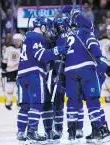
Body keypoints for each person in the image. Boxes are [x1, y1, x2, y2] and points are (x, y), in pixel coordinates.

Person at [62, 6, 110, 144]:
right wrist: (101, 60)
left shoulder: (64, 36)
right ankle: (99, 131)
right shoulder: (85, 31)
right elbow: (94, 45)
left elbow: (61, 56)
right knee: (92, 101)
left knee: (72, 102)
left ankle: (72, 134)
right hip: (87, 70)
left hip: (70, 71)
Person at [16, 16, 68, 144]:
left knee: (25, 105)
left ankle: (21, 132)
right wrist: (56, 50)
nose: (48, 31)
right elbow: (40, 54)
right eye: (47, 28)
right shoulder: (37, 37)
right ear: (43, 27)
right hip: (34, 74)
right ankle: (32, 132)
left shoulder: (27, 36)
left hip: (22, 75)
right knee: (38, 104)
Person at [1, 33, 23, 110]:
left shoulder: (23, 49)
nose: (16, 42)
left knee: (19, 87)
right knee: (10, 87)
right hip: (10, 70)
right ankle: (9, 101)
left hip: (19, 71)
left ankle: (19, 102)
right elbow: (5, 59)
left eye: (18, 40)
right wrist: (3, 69)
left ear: (21, 41)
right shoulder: (9, 48)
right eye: (15, 40)